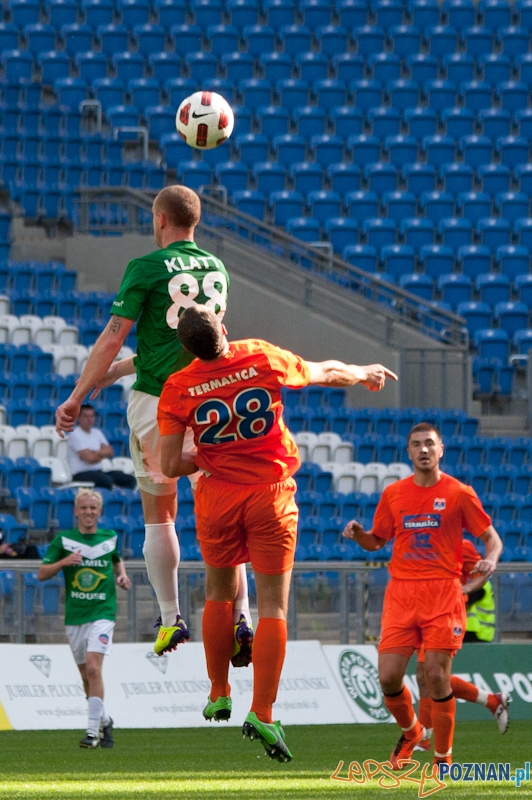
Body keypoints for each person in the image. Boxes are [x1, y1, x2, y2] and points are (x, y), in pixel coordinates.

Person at [157, 305, 397, 761]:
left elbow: (170, 465)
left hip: (218, 499)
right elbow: (323, 371)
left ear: (185, 349)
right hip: (270, 495)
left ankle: (218, 691)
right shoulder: (259, 357)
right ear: (224, 330)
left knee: (219, 593)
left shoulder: (178, 387)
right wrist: (363, 371)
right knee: (272, 607)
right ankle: (263, 713)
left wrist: (210, 456)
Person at [55, 185, 252, 660]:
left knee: (160, 512)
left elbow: (112, 335)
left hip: (158, 403)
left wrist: (78, 394)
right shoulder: (217, 269)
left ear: (160, 219)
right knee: (222, 511)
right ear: (195, 222)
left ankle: (170, 619)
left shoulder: (144, 267)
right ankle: (243, 616)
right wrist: (117, 371)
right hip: (212, 401)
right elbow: (188, 340)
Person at [342, 422, 502, 770]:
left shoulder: (460, 493)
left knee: (435, 675)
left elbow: (492, 537)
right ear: (409, 452)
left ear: (441, 449)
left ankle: (443, 758)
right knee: (387, 676)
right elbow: (377, 540)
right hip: (401, 595)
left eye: (430, 443)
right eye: (416, 445)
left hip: (442, 593)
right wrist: (359, 536)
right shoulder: (394, 494)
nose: (424, 450)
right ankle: (413, 730)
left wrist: (490, 559)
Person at [37, 488, 131, 748]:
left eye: (93, 508)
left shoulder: (109, 537)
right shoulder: (64, 540)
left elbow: (116, 559)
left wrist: (121, 576)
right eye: (84, 508)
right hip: (75, 615)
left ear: (99, 512)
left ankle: (92, 733)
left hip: (103, 611)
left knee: (93, 668)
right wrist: (63, 562)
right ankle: (105, 720)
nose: (89, 512)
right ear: (76, 511)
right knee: (85, 676)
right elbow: (42, 574)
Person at [415, 537, 509, 752]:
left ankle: (424, 738)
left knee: (432, 674)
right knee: (427, 675)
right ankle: (492, 701)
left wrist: (463, 591)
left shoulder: (461, 546)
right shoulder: (419, 543)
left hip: (449, 617)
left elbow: (480, 578)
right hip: (426, 615)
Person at [67, 403, 137, 490]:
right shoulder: (75, 434)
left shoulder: (97, 433)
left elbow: (110, 452)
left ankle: (121, 500)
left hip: (99, 471)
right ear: (78, 418)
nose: (90, 419)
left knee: (130, 479)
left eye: (92, 416)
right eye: (86, 416)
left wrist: (95, 452)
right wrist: (102, 454)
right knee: (106, 480)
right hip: (81, 473)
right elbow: (89, 459)